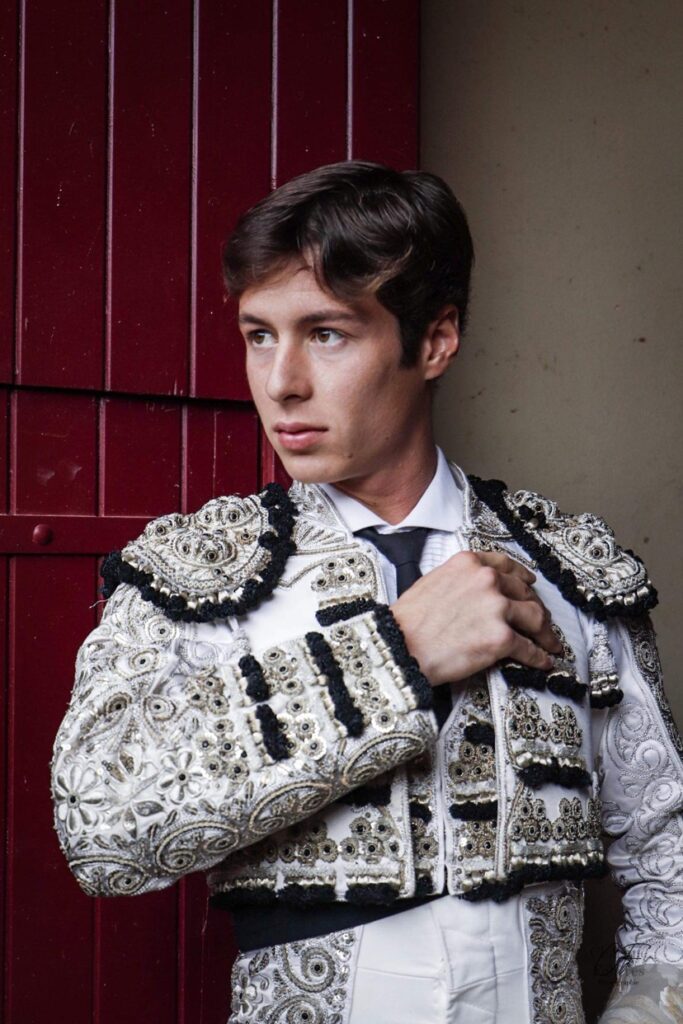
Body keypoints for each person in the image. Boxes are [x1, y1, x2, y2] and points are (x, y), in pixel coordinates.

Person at [51, 161, 683, 1023]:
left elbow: (665, 852)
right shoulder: (195, 573)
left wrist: (647, 1010)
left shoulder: (571, 569)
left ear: (434, 341)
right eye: (259, 334)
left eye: (327, 334)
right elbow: (101, 832)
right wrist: (399, 651)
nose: (281, 382)